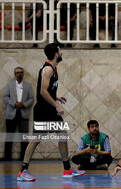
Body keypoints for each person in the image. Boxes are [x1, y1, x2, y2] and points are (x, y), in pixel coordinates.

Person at [17, 43, 85, 181]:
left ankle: (67, 169)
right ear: (56, 53)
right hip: (43, 110)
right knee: (36, 139)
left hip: (48, 108)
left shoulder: (53, 68)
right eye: (60, 50)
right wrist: (57, 105)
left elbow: (47, 90)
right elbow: (42, 91)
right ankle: (23, 171)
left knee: (62, 135)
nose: (62, 53)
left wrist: (56, 97)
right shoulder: (48, 69)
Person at [2, 66, 34, 161]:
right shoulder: (9, 85)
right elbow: (5, 97)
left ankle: (24, 157)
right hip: (11, 114)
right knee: (9, 136)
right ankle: (7, 156)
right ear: (15, 74)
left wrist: (24, 104)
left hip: (24, 114)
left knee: (24, 137)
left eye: (21, 72)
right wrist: (14, 103)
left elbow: (31, 98)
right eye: (17, 72)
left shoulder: (28, 86)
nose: (19, 74)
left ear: (23, 74)